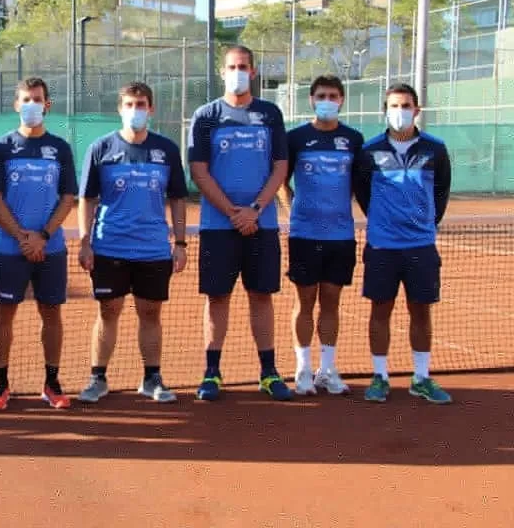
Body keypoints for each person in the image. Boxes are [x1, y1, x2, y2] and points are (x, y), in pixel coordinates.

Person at [188, 45, 292, 402]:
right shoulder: (206, 116)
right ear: (222, 72)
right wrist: (234, 213)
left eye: (244, 66)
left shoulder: (270, 114)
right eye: (232, 67)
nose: (238, 72)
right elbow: (199, 171)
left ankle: (269, 372)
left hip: (261, 225)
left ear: (254, 71)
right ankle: (212, 373)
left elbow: (280, 167)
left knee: (261, 297)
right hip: (218, 227)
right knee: (217, 298)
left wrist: (256, 210)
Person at [76, 82, 188, 404]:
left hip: (153, 249)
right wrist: (85, 242)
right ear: (119, 108)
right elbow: (87, 199)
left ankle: (152, 379)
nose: (135, 110)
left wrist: (180, 244)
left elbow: (178, 198)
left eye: (140, 104)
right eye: (129, 104)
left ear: (151, 109)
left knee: (150, 313)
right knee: (108, 311)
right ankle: (97, 378)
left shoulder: (167, 150)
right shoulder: (101, 148)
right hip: (109, 246)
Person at [354, 83, 452, 404]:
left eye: (406, 105)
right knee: (380, 310)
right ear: (385, 110)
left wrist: (424, 223)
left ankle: (421, 378)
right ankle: (380, 377)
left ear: (417, 110)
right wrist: (384, 222)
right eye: (394, 106)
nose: (400, 111)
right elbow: (363, 194)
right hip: (382, 246)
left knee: (421, 311)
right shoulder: (369, 151)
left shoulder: (435, 150)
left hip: (421, 246)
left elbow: (441, 192)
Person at [0, 77, 77, 410]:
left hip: (50, 248)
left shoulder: (60, 148)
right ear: (16, 105)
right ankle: (1, 384)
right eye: (26, 99)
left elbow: (68, 197)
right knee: (4, 315)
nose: (31, 105)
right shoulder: (1, 148)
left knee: (51, 315)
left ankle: (52, 383)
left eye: (37, 99)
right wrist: (23, 237)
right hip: (11, 249)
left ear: (47, 105)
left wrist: (43, 236)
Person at [280, 75, 364, 396]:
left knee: (331, 302)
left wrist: (340, 208)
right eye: (321, 96)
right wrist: (293, 209)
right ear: (312, 100)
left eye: (332, 96)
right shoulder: (296, 138)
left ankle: (326, 370)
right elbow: (280, 181)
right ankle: (303, 369)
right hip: (304, 235)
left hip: (340, 236)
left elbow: (357, 183)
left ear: (341, 100)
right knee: (304, 303)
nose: (326, 101)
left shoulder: (353, 139)